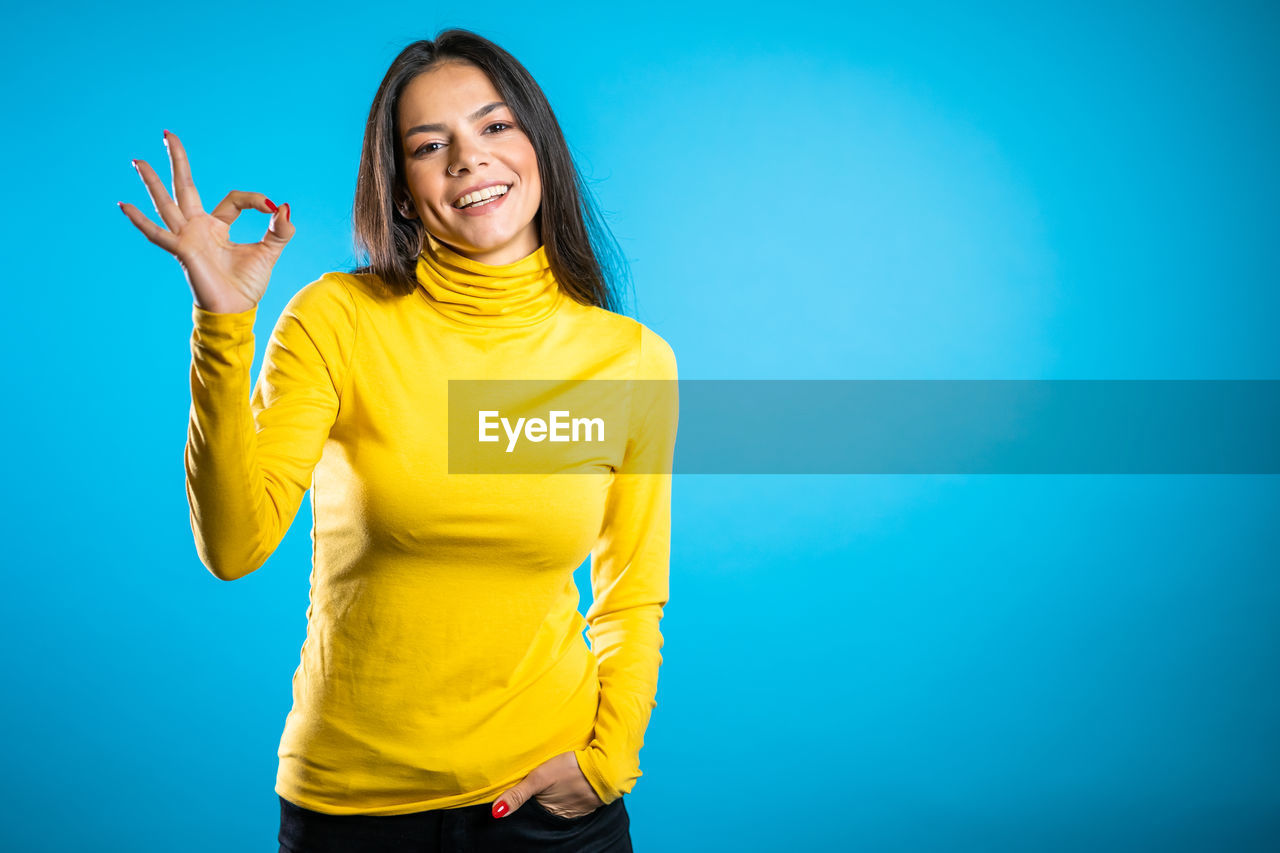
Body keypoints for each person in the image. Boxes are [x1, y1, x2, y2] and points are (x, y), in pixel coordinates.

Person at [119, 29, 678, 853]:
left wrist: (606, 766)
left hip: (548, 814)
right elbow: (234, 546)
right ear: (403, 188)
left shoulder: (627, 361)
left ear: (539, 149)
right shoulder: (338, 320)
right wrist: (224, 324)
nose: (468, 160)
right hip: (352, 811)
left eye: (494, 127)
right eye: (429, 145)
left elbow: (632, 590)